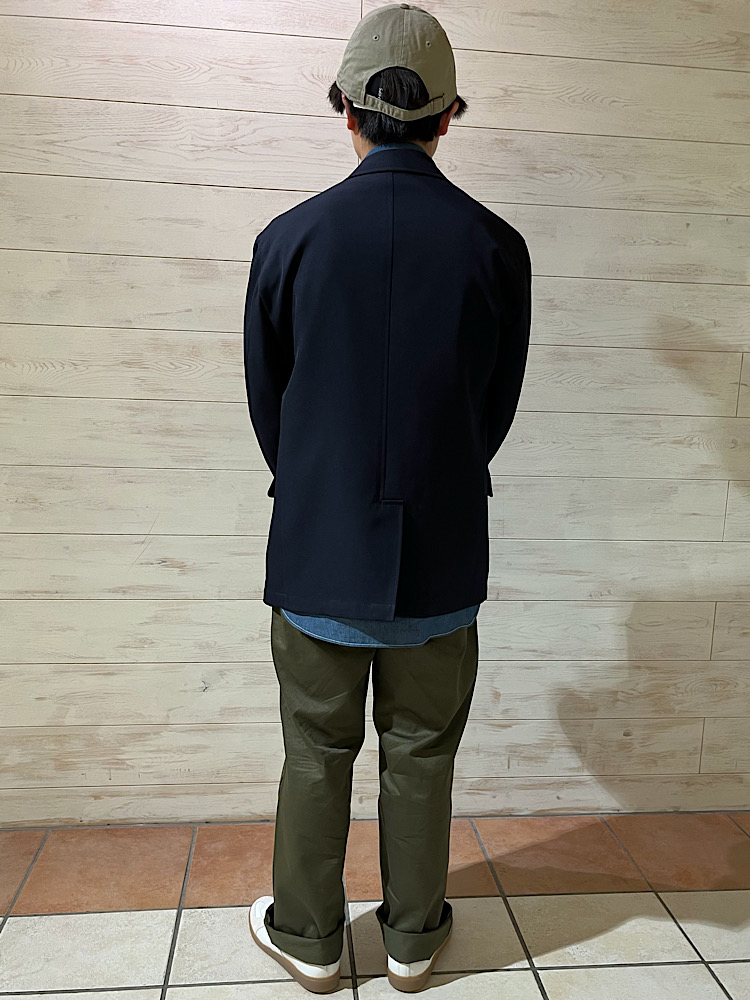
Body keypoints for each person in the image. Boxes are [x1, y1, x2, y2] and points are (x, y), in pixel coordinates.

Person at [243, 4, 532, 993]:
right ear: (449, 116)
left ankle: (309, 936)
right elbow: (493, 409)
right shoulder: (497, 247)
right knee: (421, 754)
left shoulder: (288, 240)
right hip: (441, 551)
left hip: (317, 546)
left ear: (344, 108)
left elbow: (270, 405)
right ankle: (413, 938)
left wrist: (323, 486)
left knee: (315, 750)